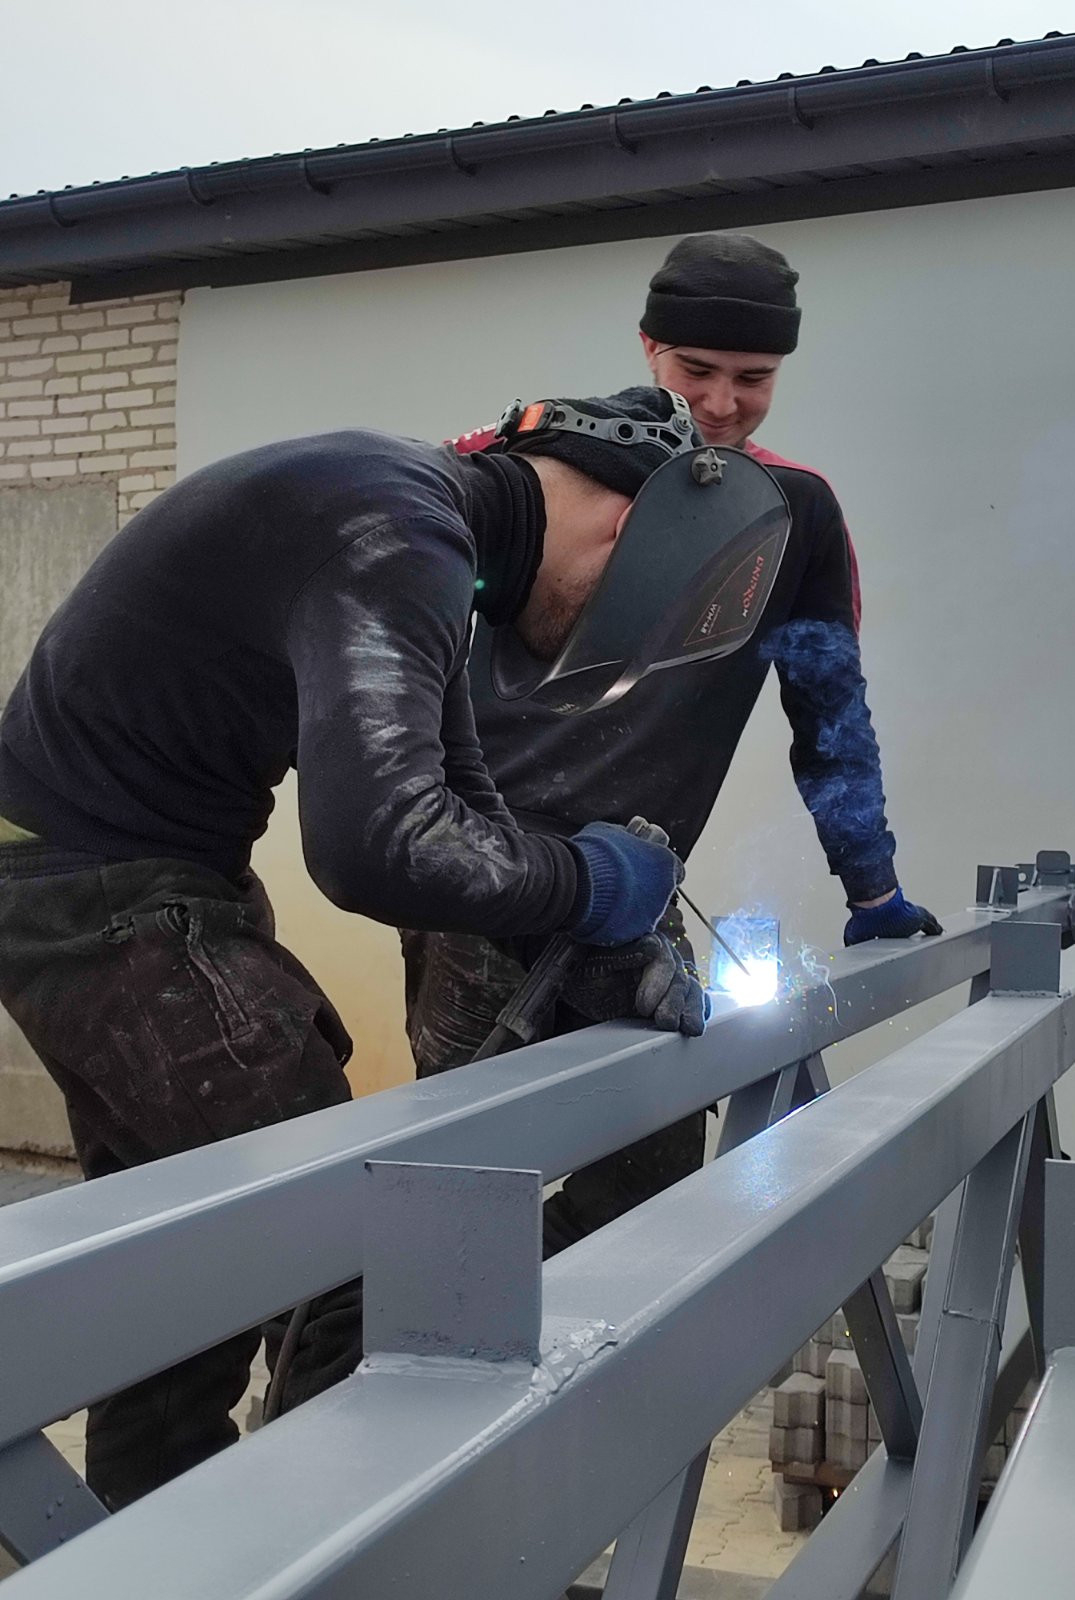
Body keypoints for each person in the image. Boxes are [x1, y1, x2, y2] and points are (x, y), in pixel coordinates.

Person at [0, 388, 750, 1508]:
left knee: (179, 1287)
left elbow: (461, 794)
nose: (600, 634)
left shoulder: (415, 525)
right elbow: (381, 845)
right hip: (104, 895)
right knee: (356, 1245)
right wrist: (595, 880)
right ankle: (342, 1551)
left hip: (98, 883)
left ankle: (153, 1561)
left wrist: (591, 930)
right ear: (623, 525)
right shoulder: (401, 533)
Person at [404, 232, 941, 1256]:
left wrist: (871, 883)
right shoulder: (530, 467)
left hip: (633, 884)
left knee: (650, 1188)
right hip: (481, 871)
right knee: (462, 1178)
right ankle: (405, 1342)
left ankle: (575, 1345)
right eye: (698, 369)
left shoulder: (794, 513)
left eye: (754, 378)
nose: (724, 402)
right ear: (650, 347)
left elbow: (829, 707)